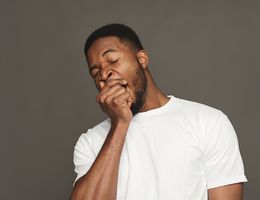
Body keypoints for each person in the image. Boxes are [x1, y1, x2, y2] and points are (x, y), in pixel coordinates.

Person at [70, 23, 247, 200]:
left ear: (142, 59)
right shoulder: (91, 142)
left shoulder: (208, 122)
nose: (104, 74)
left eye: (113, 61)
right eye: (95, 72)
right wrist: (120, 124)